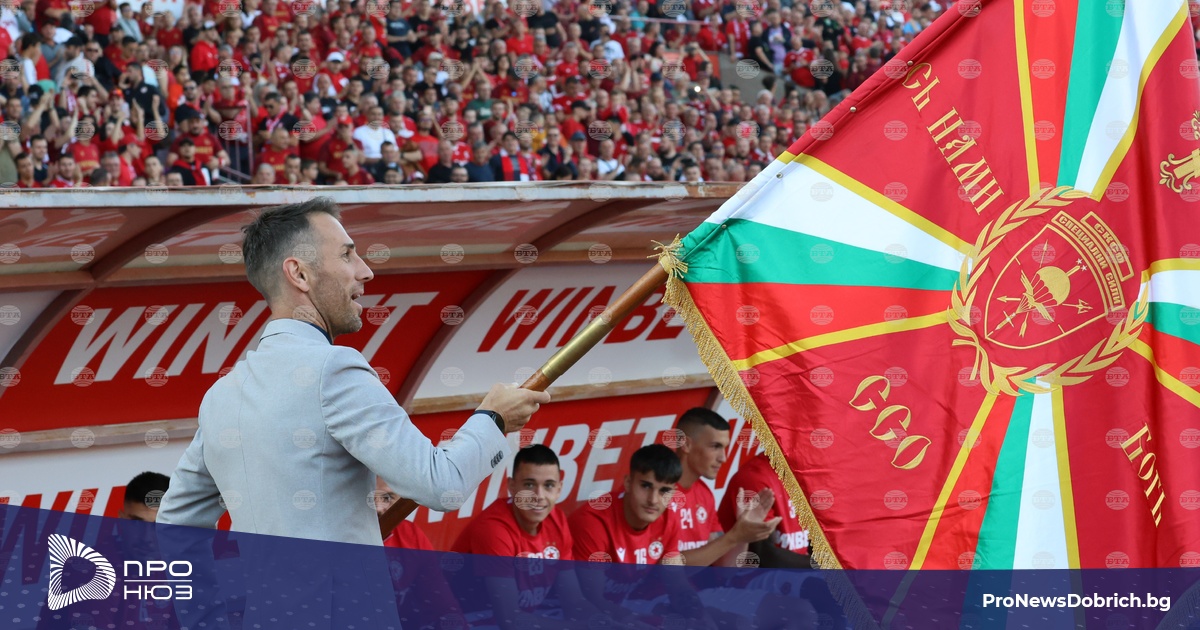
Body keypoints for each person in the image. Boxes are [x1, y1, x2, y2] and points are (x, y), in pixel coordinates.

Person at [157, 197, 550, 545]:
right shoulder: (334, 368)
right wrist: (493, 419)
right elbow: (441, 484)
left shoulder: (221, 395)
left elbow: (175, 525)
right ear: (300, 274)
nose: (366, 271)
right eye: (347, 255)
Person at [452, 445, 600, 628]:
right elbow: (510, 620)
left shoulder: (557, 521)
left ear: (559, 489)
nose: (539, 496)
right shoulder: (493, 529)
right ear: (512, 486)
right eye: (529, 485)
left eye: (548, 485)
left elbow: (574, 602)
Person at [671, 408, 780, 567]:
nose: (723, 458)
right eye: (715, 446)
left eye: (724, 448)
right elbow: (668, 565)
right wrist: (734, 536)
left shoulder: (704, 494)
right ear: (686, 444)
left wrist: (742, 535)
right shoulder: (658, 494)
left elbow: (724, 567)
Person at [717, 452, 813, 569]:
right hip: (757, 577)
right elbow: (766, 556)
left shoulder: (806, 472)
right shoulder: (754, 477)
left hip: (795, 574)